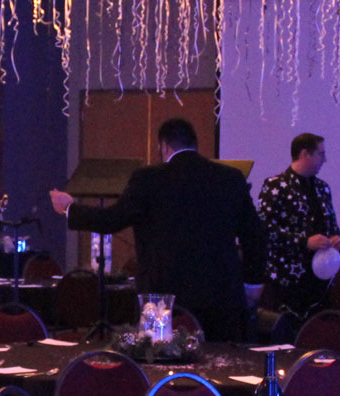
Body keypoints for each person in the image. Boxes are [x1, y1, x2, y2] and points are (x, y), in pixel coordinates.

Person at [49, 119, 266, 342]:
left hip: (165, 296)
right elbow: (254, 235)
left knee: (163, 363)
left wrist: (70, 208)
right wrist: (253, 282)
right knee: (223, 366)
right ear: (195, 144)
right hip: (222, 295)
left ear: (164, 146)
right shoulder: (230, 178)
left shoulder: (148, 179)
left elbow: (111, 220)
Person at [257, 133, 340, 316]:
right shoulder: (276, 186)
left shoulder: (322, 188)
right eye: (321, 154)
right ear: (305, 154)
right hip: (287, 281)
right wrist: (304, 242)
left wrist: (336, 238)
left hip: (320, 280)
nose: (324, 160)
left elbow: (332, 224)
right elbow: (265, 229)